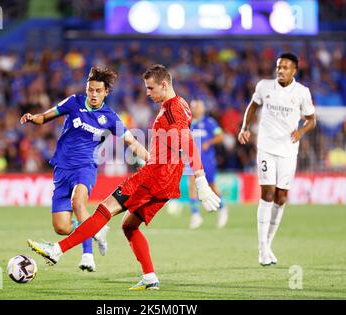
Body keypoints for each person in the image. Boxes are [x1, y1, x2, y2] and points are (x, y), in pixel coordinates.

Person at [27, 64, 221, 290]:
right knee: (129, 226)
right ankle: (150, 278)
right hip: (169, 181)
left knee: (104, 209)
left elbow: (187, 141)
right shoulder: (183, 105)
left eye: (150, 88)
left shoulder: (173, 110)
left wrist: (200, 179)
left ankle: (57, 251)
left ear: (164, 85)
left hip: (155, 175)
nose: (147, 92)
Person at [20, 67, 148, 272]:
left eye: (98, 91)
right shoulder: (74, 102)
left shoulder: (110, 117)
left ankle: (88, 255)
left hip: (85, 167)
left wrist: (149, 159)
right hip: (62, 167)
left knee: (78, 202)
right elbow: (45, 116)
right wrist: (32, 117)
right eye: (90, 90)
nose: (93, 94)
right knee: (61, 227)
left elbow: (131, 141)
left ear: (106, 92)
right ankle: (94, 228)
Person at [237, 53, 316, 266]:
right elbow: (252, 106)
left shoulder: (302, 92)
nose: (280, 70)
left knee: (281, 198)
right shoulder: (264, 86)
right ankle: (262, 249)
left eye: (285, 67)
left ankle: (267, 245)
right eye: (279, 67)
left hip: (289, 151)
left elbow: (311, 120)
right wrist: (245, 128)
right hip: (266, 148)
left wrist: (301, 132)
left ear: (294, 71)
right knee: (268, 193)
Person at [187, 99, 228, 230]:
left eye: (197, 106)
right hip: (192, 160)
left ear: (203, 108)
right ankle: (195, 214)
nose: (195, 109)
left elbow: (220, 136)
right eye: (193, 106)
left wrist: (208, 143)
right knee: (192, 184)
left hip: (207, 160)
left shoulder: (209, 122)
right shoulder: (188, 124)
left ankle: (222, 209)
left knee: (211, 185)